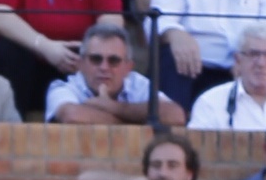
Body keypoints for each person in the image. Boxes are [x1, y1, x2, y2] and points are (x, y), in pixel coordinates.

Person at [45, 23, 186, 125]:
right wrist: (138, 121)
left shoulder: (138, 84)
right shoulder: (63, 87)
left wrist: (110, 106)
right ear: (80, 64)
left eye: (113, 60)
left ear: (128, 68)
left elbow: (175, 115)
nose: (104, 67)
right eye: (96, 59)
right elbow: (73, 116)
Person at [77, 131, 201, 180]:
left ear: (189, 174)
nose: (163, 173)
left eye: (172, 166)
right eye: (156, 165)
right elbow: (84, 178)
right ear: (147, 170)